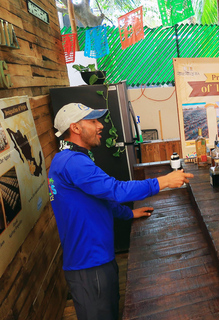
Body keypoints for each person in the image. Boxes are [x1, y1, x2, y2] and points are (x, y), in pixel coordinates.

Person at [48, 103, 193, 320]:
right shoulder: (73, 162)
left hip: (97, 257)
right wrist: (164, 181)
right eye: (93, 121)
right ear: (75, 128)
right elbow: (115, 190)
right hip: (89, 263)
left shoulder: (70, 159)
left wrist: (129, 214)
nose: (101, 126)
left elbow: (99, 196)